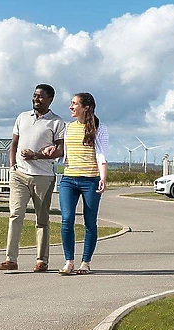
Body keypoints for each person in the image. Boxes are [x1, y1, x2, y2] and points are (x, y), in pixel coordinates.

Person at [0, 84, 65, 272]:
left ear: (50, 99)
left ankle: (42, 260)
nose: (36, 99)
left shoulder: (57, 122)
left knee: (41, 219)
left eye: (41, 97)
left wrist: (36, 155)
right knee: (15, 215)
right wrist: (12, 167)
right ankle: (11, 259)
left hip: (43, 177)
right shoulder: (22, 117)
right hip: (19, 175)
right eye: (35, 96)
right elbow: (14, 144)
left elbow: (59, 151)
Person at [55, 92, 108, 275]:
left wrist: (103, 178)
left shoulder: (100, 128)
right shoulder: (68, 127)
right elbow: (63, 151)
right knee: (66, 220)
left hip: (90, 181)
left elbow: (102, 156)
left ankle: (85, 262)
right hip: (68, 179)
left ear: (85, 107)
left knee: (90, 223)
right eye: (71, 103)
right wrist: (51, 150)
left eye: (74, 104)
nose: (71, 107)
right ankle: (69, 261)